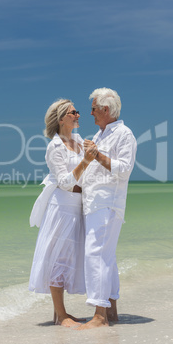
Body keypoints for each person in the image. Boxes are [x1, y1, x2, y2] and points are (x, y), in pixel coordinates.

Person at [29, 99, 97, 327]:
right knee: (57, 258)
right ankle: (61, 315)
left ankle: (61, 315)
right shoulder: (54, 148)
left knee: (70, 257)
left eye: (77, 112)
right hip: (62, 209)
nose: (78, 115)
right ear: (60, 119)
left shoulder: (79, 141)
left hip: (79, 206)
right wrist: (86, 161)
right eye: (73, 112)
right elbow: (66, 183)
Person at [77, 87, 137, 330]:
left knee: (96, 254)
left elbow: (124, 169)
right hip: (95, 204)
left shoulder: (124, 134)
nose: (89, 113)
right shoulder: (101, 134)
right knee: (106, 257)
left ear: (105, 109)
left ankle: (99, 315)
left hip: (107, 204)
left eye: (93, 108)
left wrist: (97, 154)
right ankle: (111, 311)